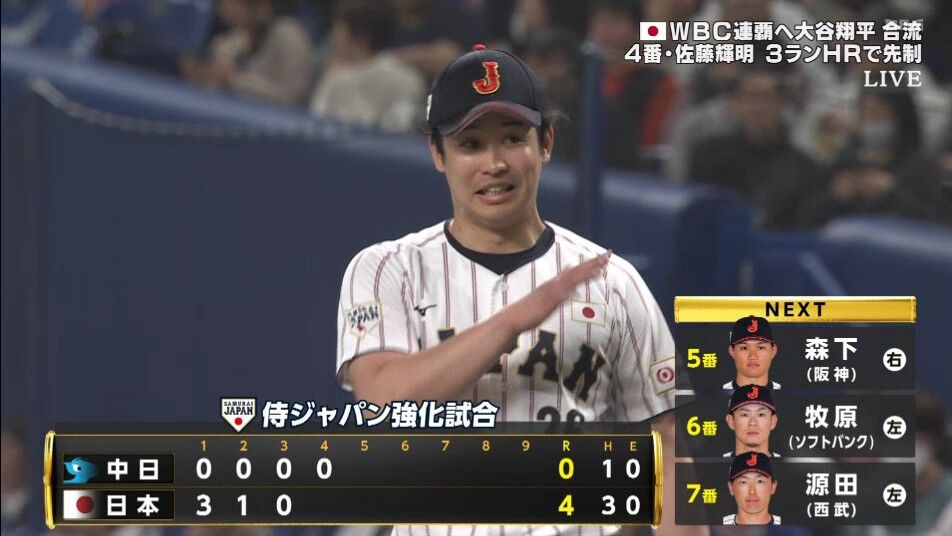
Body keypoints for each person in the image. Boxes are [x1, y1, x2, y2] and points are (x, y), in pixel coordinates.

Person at [335, 44, 705, 536]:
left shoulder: (613, 282)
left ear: (545, 143)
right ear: (438, 154)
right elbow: (383, 398)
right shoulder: (388, 269)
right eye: (470, 145)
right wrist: (512, 321)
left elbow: (667, 452)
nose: (494, 163)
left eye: (512, 139)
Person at [309, 0, 425, 132]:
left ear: (360, 38)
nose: (335, 37)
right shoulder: (412, 79)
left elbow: (315, 125)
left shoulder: (338, 78)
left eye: (340, 30)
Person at [180, 0, 313, 107]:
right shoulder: (226, 44)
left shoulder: (289, 35)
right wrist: (204, 77)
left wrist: (235, 81)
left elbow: (291, 98)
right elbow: (213, 95)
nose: (227, 7)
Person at [723, 316, 781, 390]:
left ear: (773, 351)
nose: (753, 356)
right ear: (732, 351)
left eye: (761, 348)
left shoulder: (787, 393)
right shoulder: (716, 393)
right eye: (744, 348)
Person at [723, 385, 781, 458]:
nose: (753, 423)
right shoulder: (719, 463)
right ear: (731, 421)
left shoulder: (784, 463)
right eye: (745, 414)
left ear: (773, 421)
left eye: (761, 414)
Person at [724, 451, 781, 525]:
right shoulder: (716, 525)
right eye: (744, 482)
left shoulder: (788, 526)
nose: (752, 491)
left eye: (760, 481)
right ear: (731, 488)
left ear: (773, 487)